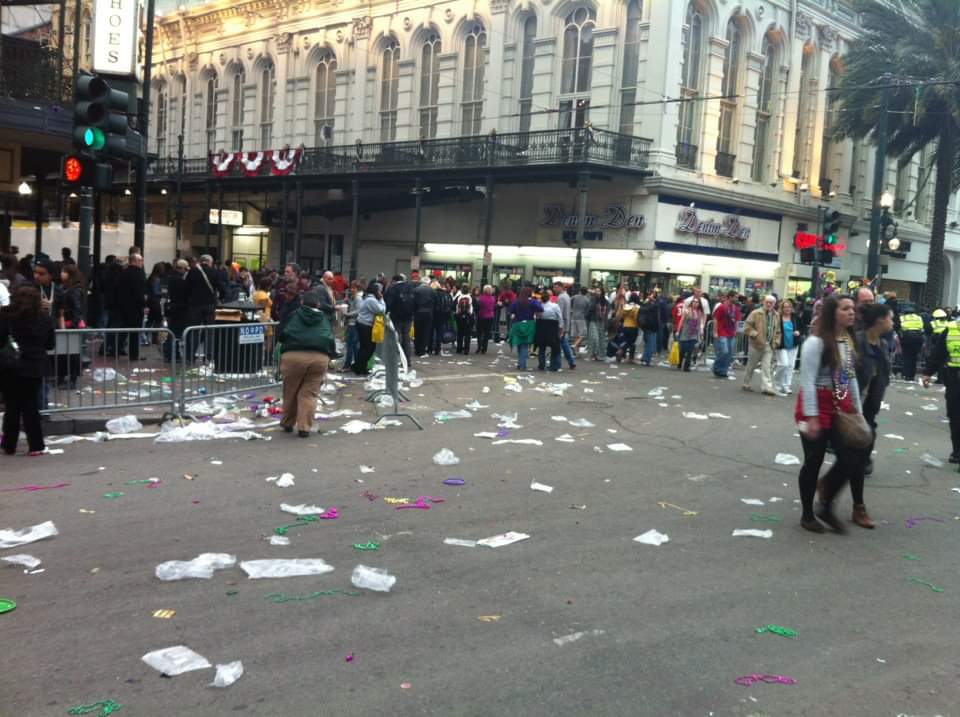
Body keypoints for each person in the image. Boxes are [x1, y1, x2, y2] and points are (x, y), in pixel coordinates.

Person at [795, 294, 866, 533]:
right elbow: (807, 381)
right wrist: (812, 416)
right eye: (845, 308)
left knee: (852, 457)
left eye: (852, 309)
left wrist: (857, 410)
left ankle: (825, 498)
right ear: (832, 313)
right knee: (813, 461)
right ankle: (807, 514)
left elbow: (849, 377)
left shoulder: (847, 341)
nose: (851, 313)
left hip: (840, 404)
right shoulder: (815, 343)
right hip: (814, 403)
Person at [0, 286, 55, 455]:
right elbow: (50, 344)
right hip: (34, 365)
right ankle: (36, 445)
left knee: (12, 406)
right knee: (31, 405)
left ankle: (9, 444)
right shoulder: (43, 317)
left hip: (11, 364)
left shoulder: (6, 316)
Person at [278, 290, 336, 437]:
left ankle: (287, 422)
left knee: (290, 390)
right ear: (318, 304)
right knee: (309, 393)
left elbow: (282, 333)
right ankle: (304, 427)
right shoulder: (324, 318)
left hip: (293, 356)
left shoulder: (294, 314)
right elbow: (330, 339)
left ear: (302, 302)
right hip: (319, 358)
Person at [922, 313, 960, 463]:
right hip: (955, 378)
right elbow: (939, 353)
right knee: (955, 415)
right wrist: (928, 373)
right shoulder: (951, 329)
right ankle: (957, 451)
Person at [184, 255, 223, 362]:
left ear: (201, 262)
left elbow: (186, 288)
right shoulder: (214, 272)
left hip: (194, 305)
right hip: (210, 305)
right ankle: (209, 356)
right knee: (210, 331)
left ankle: (190, 356)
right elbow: (221, 288)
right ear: (210, 262)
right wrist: (221, 298)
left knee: (193, 330)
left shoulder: (192, 272)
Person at [742, 295, 781, 395]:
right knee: (751, 366)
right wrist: (755, 334)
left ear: (774, 304)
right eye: (767, 302)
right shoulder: (756, 313)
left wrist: (776, 341)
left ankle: (767, 387)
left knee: (766, 367)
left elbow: (778, 331)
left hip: (769, 345)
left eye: (771, 303)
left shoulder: (776, 315)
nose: (768, 304)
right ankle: (746, 383)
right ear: (763, 302)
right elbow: (747, 326)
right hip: (756, 344)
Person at [113, 254, 148, 360]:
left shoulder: (124, 272)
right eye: (140, 260)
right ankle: (134, 354)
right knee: (134, 332)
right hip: (135, 307)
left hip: (124, 306)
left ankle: (116, 349)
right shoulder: (138, 273)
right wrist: (143, 303)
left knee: (124, 329)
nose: (142, 262)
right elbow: (139, 291)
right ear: (134, 261)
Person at [352, 281, 384, 376]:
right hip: (365, 325)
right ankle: (360, 367)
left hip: (363, 324)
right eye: (379, 291)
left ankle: (359, 366)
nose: (380, 292)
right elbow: (381, 310)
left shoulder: (370, 299)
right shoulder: (371, 300)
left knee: (364, 347)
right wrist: (382, 299)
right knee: (369, 348)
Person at [509, 287, 542, 370]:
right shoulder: (532, 302)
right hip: (529, 325)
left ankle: (520, 363)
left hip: (517, 324)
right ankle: (522, 364)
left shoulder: (516, 302)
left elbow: (511, 310)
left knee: (520, 345)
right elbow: (540, 308)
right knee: (525, 345)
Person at [384, 274, 415, 362]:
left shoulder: (392, 289)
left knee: (396, 338)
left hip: (396, 317)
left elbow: (388, 303)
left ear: (394, 281)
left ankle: (396, 359)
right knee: (406, 337)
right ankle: (407, 360)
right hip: (408, 317)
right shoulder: (410, 287)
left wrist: (386, 314)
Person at [164, 260, 190, 363]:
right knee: (175, 333)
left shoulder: (172, 278)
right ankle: (172, 354)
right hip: (179, 309)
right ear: (182, 268)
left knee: (172, 332)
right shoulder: (179, 280)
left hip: (174, 308)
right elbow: (184, 293)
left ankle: (170, 353)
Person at [775, 299, 801, 395]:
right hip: (781, 344)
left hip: (793, 345)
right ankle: (777, 383)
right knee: (783, 364)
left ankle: (786, 385)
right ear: (782, 308)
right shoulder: (778, 317)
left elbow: (801, 328)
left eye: (789, 307)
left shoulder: (795, 317)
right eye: (785, 307)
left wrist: (798, 332)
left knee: (790, 366)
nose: (787, 309)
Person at [712, 290, 740, 378]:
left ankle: (723, 370)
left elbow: (737, 320)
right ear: (730, 297)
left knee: (729, 353)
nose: (737, 299)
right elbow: (715, 319)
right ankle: (716, 367)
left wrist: (736, 331)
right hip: (722, 332)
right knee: (724, 351)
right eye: (735, 297)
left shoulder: (736, 308)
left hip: (731, 333)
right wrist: (715, 331)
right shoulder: (722, 307)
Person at [898, 304, 928, 381]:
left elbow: (899, 327)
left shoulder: (902, 317)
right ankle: (912, 375)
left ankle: (906, 375)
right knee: (914, 357)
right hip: (918, 337)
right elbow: (922, 327)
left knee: (907, 356)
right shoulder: (918, 317)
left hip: (907, 337)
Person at [676, 292, 706, 371]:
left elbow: (700, 323)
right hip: (685, 333)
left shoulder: (699, 312)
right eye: (694, 302)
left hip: (694, 334)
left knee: (690, 351)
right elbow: (681, 321)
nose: (695, 304)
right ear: (691, 303)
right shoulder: (687, 311)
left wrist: (701, 331)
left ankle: (687, 366)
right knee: (683, 350)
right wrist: (678, 331)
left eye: (697, 302)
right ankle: (679, 363)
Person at [553, 282, 577, 370]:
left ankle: (558, 364)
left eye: (555, 287)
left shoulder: (561, 298)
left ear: (560, 287)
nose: (554, 289)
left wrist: (560, 325)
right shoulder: (567, 296)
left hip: (561, 323)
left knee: (558, 344)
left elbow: (559, 312)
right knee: (564, 343)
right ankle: (571, 361)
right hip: (566, 322)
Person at [341, 280, 363, 370]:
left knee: (350, 345)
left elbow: (359, 310)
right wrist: (348, 302)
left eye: (354, 288)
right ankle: (356, 364)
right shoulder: (354, 298)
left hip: (354, 323)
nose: (351, 289)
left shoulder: (358, 298)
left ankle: (348, 365)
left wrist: (347, 314)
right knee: (354, 345)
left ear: (357, 289)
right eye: (351, 287)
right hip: (353, 323)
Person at [413, 278, 437, 358]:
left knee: (418, 331)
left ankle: (417, 348)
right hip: (428, 313)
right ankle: (422, 350)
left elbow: (414, 301)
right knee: (425, 332)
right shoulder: (432, 291)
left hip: (418, 313)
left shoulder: (416, 290)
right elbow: (435, 302)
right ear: (428, 283)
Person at [616, 293, 641, 363]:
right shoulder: (637, 307)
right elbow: (636, 318)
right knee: (632, 342)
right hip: (633, 327)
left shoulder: (626, 306)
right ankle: (629, 357)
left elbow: (622, 316)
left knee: (625, 340)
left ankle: (621, 351)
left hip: (625, 326)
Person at [586, 288, 608, 361]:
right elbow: (589, 309)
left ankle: (599, 355)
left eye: (599, 291)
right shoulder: (593, 299)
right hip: (593, 321)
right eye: (596, 291)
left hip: (602, 322)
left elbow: (608, 311)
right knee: (594, 338)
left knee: (601, 339)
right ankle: (592, 354)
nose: (598, 292)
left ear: (602, 292)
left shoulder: (605, 301)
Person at [431, 282, 452, 355]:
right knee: (439, 333)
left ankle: (430, 348)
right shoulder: (446, 295)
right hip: (442, 316)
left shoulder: (433, 294)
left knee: (432, 332)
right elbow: (449, 306)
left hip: (434, 316)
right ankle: (437, 349)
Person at [639, 293, 660, 366]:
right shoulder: (652, 306)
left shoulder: (644, 305)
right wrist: (653, 300)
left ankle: (645, 358)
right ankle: (646, 359)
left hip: (646, 327)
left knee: (648, 343)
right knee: (650, 344)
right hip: (651, 327)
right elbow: (657, 305)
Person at [453, 284, 474, 355]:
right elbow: (477, 306)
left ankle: (459, 348)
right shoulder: (471, 297)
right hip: (468, 317)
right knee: (467, 334)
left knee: (460, 333)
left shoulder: (458, 297)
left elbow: (453, 306)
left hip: (459, 317)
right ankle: (466, 349)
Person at [475, 285, 496, 354]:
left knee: (479, 333)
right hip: (490, 317)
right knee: (486, 333)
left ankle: (479, 347)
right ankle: (484, 348)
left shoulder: (481, 298)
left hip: (481, 317)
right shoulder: (493, 299)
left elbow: (478, 306)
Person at [570, 286, 591, 352]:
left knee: (576, 335)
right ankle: (575, 345)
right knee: (583, 334)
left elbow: (570, 304)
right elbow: (587, 310)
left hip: (573, 317)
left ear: (580, 291)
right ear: (586, 292)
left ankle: (576, 352)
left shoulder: (574, 297)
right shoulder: (587, 300)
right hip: (581, 318)